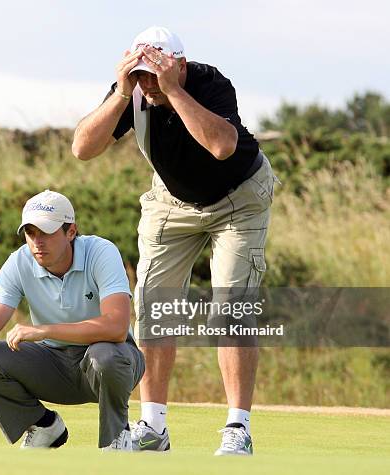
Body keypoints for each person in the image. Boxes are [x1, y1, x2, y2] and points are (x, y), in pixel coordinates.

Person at [72, 26, 277, 456]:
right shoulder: (132, 91)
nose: (148, 84)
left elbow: (222, 146)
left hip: (239, 198)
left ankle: (238, 428)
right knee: (153, 306)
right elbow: (82, 149)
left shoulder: (209, 83)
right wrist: (121, 94)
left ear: (179, 65)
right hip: (172, 202)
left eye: (156, 74)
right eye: (141, 75)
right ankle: (153, 426)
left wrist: (171, 91)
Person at [0, 189, 145, 451]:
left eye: (46, 232)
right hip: (53, 365)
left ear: (71, 232)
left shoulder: (101, 252)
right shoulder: (20, 261)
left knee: (105, 355)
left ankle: (116, 438)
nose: (37, 241)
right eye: (31, 233)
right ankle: (44, 426)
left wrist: (43, 329)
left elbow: (115, 327)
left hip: (111, 362)